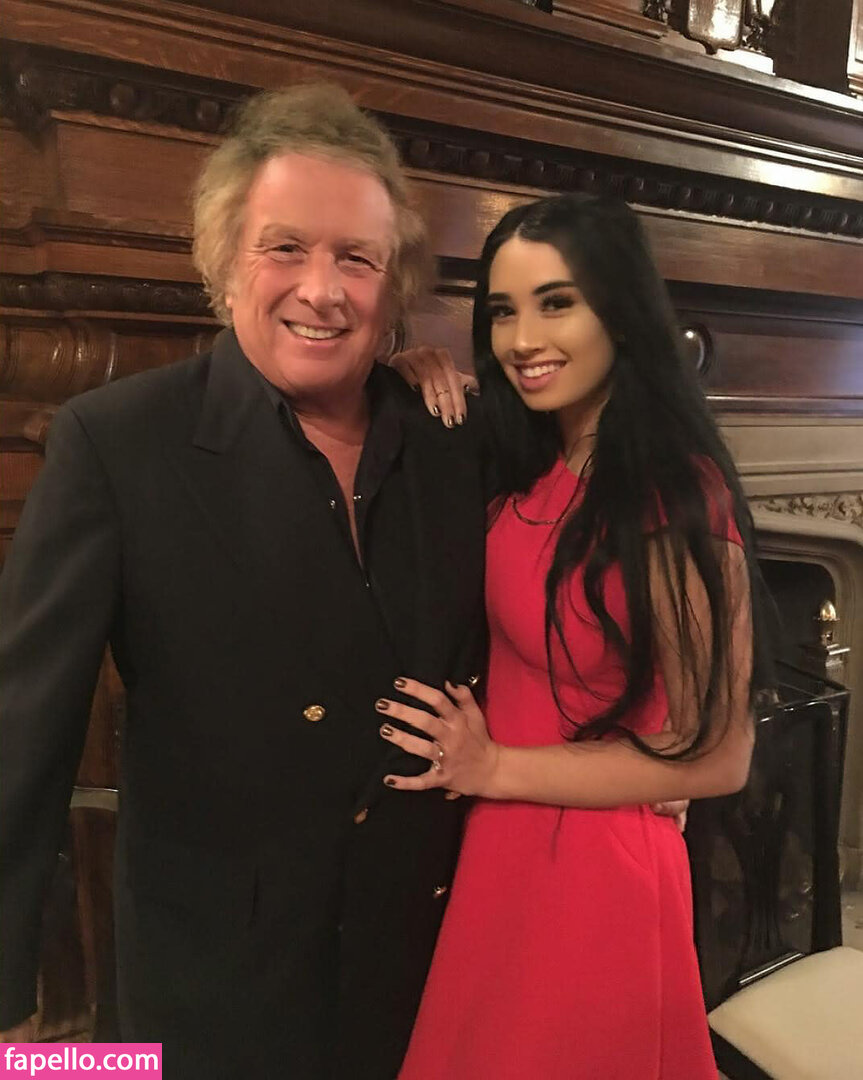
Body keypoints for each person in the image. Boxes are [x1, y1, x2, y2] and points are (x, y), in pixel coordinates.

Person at [0, 84, 488, 1079]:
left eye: (357, 258)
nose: (322, 289)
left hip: (425, 962)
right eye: (285, 248)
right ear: (224, 263)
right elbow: (22, 734)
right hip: (217, 980)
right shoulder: (118, 445)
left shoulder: (450, 440)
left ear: (393, 284)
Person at [381, 194, 772, 1079]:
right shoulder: (531, 459)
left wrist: (494, 767)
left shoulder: (674, 495)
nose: (523, 339)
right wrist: (404, 372)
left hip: (591, 865)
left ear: (620, 314)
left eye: (556, 303)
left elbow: (720, 756)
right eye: (502, 311)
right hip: (506, 843)